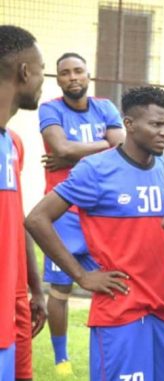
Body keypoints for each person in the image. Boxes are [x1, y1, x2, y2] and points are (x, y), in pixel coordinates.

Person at [26, 86, 164, 381]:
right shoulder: (95, 169)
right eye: (156, 124)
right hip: (121, 310)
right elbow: (37, 219)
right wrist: (81, 276)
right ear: (129, 125)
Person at [38, 52, 125, 376]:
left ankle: (111, 348)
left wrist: (74, 152)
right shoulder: (50, 109)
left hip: (102, 212)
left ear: (88, 75)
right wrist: (102, 144)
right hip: (63, 214)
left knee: (114, 281)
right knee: (61, 290)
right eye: (65, 73)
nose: (72, 77)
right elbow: (60, 149)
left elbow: (122, 145)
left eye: (78, 71)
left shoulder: (105, 106)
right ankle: (62, 360)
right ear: (58, 79)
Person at [0, 25, 44, 381]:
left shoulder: (12, 142)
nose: (46, 81)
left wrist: (34, 289)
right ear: (25, 72)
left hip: (11, 311)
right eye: (43, 71)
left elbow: (16, 221)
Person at [10, 128, 47, 381]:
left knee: (21, 374)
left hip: (15, 293)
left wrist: (35, 289)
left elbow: (16, 215)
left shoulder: (13, 141)